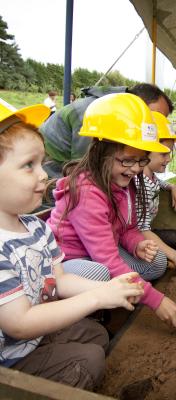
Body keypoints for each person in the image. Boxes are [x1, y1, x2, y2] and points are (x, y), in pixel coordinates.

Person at [0, 100, 145, 390]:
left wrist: (107, 289)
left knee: (96, 335)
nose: (43, 174)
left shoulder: (36, 227)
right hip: (10, 357)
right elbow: (18, 324)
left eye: (41, 163)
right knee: (88, 359)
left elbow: (60, 279)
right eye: (29, 165)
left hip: (34, 337)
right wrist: (96, 299)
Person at [47, 93, 176, 329]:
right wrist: (156, 301)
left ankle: (119, 294)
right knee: (101, 275)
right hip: (70, 261)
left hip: (101, 252)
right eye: (127, 160)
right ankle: (88, 317)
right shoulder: (86, 191)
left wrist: (136, 244)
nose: (135, 168)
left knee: (156, 262)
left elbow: (128, 227)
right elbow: (107, 260)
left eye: (142, 160)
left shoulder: (124, 183)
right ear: (100, 152)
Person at [39, 83, 174, 178]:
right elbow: (83, 170)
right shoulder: (95, 113)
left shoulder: (116, 111)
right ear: (137, 103)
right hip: (49, 169)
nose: (157, 124)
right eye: (155, 116)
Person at [135, 111, 176, 270]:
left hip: (146, 229)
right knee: (161, 260)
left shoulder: (151, 177)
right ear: (145, 151)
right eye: (164, 154)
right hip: (137, 236)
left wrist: (172, 187)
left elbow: (158, 183)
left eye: (169, 153)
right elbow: (140, 230)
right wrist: (175, 256)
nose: (169, 158)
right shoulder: (139, 185)